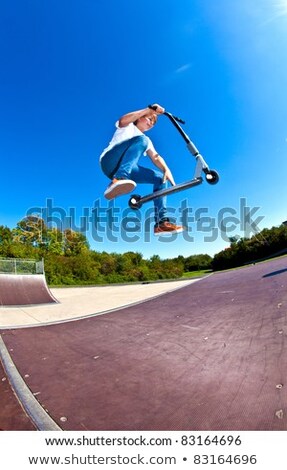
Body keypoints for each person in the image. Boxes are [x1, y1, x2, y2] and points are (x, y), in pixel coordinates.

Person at [99, 104, 185, 235]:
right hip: (109, 161)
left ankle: (161, 223)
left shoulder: (147, 140)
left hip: (127, 168)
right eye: (149, 119)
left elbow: (156, 157)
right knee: (142, 140)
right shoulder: (128, 126)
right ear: (139, 118)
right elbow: (122, 120)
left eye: (154, 123)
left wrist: (166, 170)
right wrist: (148, 110)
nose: (151, 123)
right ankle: (119, 179)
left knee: (160, 178)